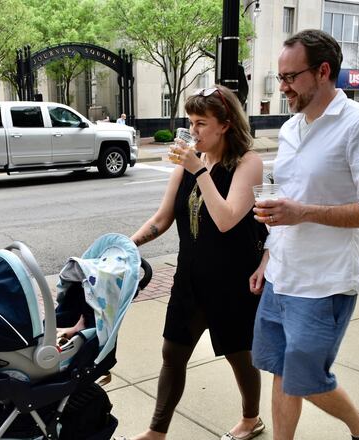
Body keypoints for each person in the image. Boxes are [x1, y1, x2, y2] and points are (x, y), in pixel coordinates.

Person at [249, 29, 359, 440]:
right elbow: (288, 200)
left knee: (306, 379)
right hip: (281, 276)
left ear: (323, 71)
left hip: (323, 283)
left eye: (290, 77)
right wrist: (267, 256)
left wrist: (304, 213)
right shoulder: (290, 128)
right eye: (279, 77)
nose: (282, 88)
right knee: (280, 371)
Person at [124, 85, 266, 440]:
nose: (193, 130)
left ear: (226, 124)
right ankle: (156, 433)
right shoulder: (188, 162)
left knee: (239, 353)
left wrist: (198, 170)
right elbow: (163, 217)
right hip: (190, 277)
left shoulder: (248, 163)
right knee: (173, 351)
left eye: (202, 122)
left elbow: (227, 218)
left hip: (232, 279)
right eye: (191, 122)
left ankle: (251, 419)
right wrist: (128, 244)